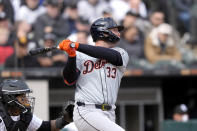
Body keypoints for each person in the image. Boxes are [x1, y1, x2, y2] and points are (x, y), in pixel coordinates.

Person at [59, 17, 128, 131]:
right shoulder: (80, 56)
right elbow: (69, 80)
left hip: (110, 112)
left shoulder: (121, 53)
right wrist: (71, 56)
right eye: (115, 30)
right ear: (103, 32)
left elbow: (108, 55)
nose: (118, 33)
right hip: (87, 110)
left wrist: (76, 46)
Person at [0, 79, 74, 131]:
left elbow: (47, 127)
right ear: (9, 98)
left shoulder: (24, 115)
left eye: (25, 96)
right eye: (22, 97)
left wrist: (65, 120)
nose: (26, 99)